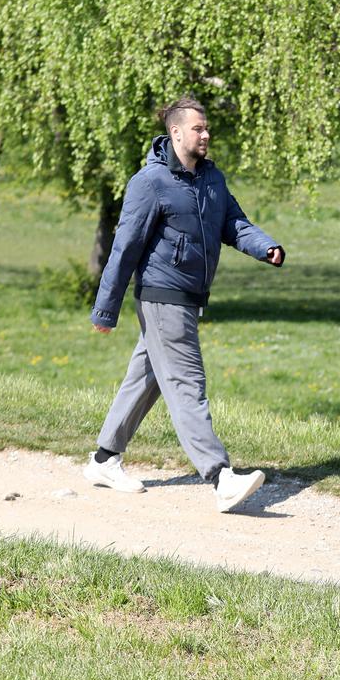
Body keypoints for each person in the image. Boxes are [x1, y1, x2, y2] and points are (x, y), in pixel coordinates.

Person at [83, 96, 285, 513]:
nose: (206, 134)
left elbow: (233, 224)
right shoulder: (151, 182)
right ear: (176, 132)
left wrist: (265, 247)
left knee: (146, 378)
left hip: (188, 297)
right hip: (163, 296)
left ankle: (104, 460)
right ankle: (220, 476)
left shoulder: (212, 178)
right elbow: (124, 248)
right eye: (198, 128)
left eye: (207, 128)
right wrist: (106, 309)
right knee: (187, 383)